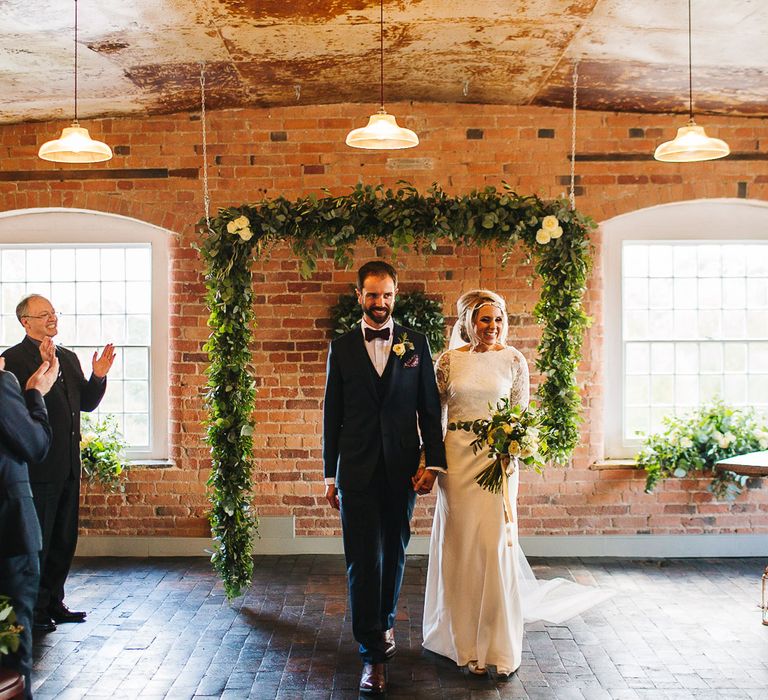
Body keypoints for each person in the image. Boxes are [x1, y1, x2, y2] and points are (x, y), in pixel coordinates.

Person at [423, 290, 612, 678]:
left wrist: (515, 445)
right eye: (483, 320)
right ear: (468, 323)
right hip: (457, 461)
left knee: (493, 547)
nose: (491, 327)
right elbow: (431, 415)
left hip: (497, 461)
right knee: (461, 546)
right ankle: (463, 642)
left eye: (497, 320)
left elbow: (520, 414)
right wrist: (431, 462)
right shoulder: (447, 362)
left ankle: (495, 644)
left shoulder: (514, 360)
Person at [323, 261, 447, 695]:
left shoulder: (416, 343)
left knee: (393, 553)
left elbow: (429, 409)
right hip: (355, 469)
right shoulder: (340, 348)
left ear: (397, 294)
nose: (380, 303)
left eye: (387, 295)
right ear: (359, 295)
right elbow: (331, 417)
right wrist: (328, 475)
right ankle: (371, 656)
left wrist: (432, 463)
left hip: (401, 469)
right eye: (372, 295)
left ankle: (386, 623)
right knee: (362, 560)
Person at [1, 294, 116, 633]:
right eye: (44, 314)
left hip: (68, 465)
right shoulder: (12, 359)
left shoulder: (67, 356)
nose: (52, 318)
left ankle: (54, 602)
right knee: (40, 540)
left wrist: (98, 376)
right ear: (26, 322)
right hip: (37, 467)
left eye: (54, 313)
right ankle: (33, 611)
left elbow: (87, 405)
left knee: (64, 538)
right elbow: (14, 414)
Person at [0, 344, 59, 699]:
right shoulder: (2, 383)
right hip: (8, 540)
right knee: (9, 642)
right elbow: (35, 445)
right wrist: (36, 395)